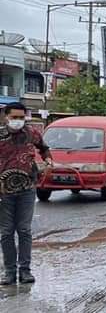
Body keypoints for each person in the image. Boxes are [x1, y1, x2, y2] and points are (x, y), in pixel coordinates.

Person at [0, 103, 53, 286]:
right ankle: (9, 272)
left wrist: (48, 161)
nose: (18, 121)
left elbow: (44, 148)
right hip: (3, 192)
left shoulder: (32, 134)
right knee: (6, 232)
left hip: (27, 189)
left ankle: (25, 271)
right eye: (14, 117)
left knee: (24, 230)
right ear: (6, 117)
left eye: (21, 117)